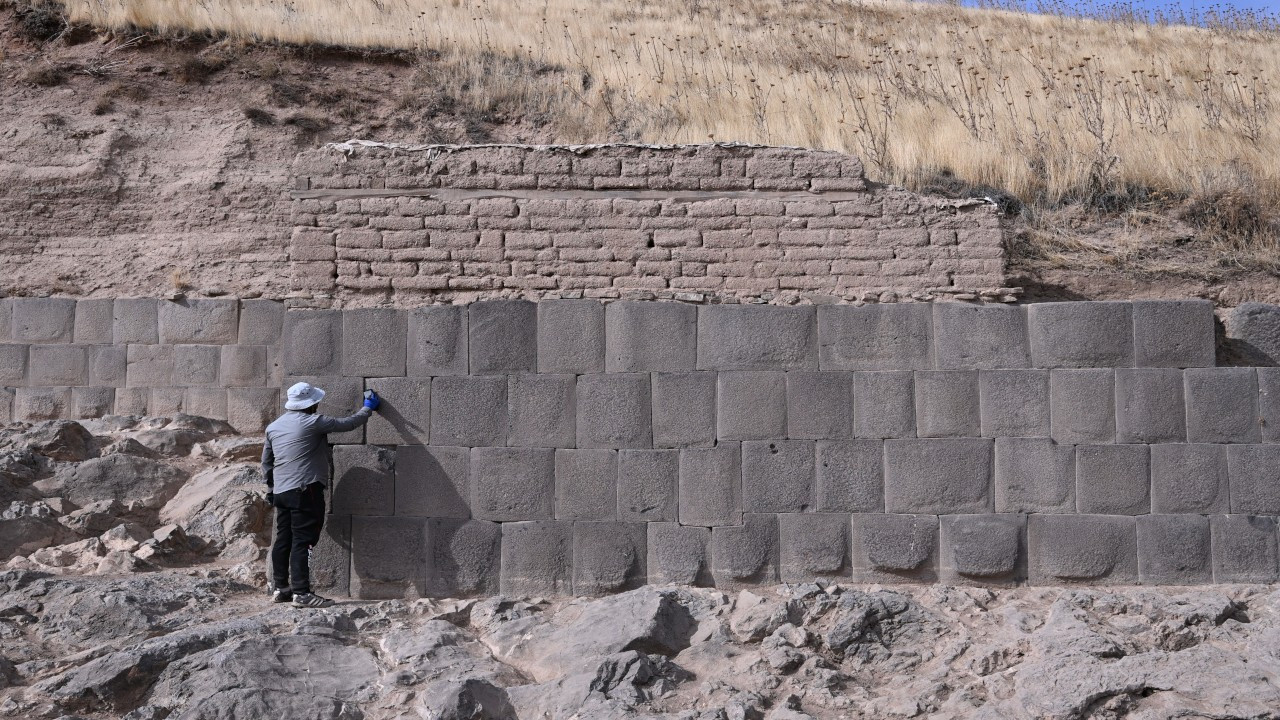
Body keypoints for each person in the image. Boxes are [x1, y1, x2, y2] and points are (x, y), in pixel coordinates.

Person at [261, 382, 380, 608]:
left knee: (283, 539)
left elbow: (266, 463)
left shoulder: (274, 427)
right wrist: (368, 408)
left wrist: (270, 488)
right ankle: (302, 593)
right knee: (303, 541)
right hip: (305, 490)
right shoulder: (314, 422)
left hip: (281, 492)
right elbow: (349, 423)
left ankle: (280, 588)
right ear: (311, 403)